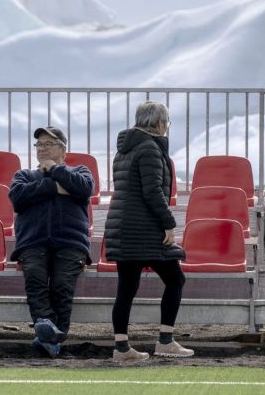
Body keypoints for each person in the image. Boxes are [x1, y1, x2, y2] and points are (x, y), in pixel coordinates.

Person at [106, 101, 193, 361]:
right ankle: (165, 341)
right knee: (176, 279)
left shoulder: (124, 150)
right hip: (143, 229)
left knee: (126, 288)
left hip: (122, 227)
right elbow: (153, 191)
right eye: (167, 122)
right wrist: (168, 223)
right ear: (159, 123)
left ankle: (121, 348)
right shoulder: (149, 148)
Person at [9, 126, 93, 358]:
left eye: (49, 144)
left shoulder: (80, 171)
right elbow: (18, 198)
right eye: (39, 144)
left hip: (71, 243)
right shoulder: (24, 175)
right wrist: (53, 187)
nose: (42, 149)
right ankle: (49, 332)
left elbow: (84, 189)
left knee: (61, 285)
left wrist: (56, 170)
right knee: (35, 279)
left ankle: (50, 337)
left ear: (63, 151)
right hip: (32, 242)